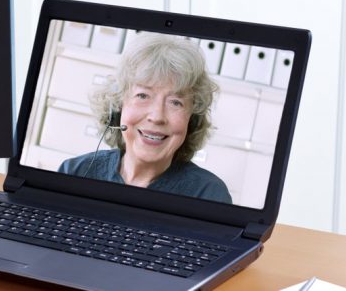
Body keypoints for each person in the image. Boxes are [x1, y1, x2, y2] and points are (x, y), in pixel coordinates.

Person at [57, 33, 232, 204]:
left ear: (192, 119)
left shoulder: (209, 195)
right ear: (117, 106)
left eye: (175, 102)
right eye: (143, 96)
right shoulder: (75, 172)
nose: (157, 117)